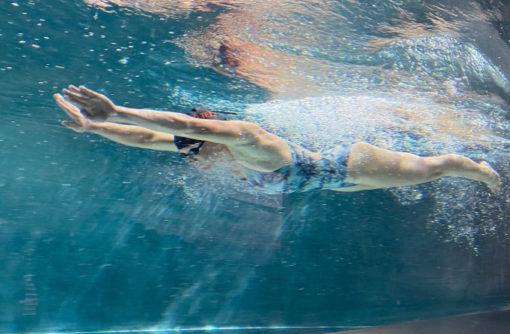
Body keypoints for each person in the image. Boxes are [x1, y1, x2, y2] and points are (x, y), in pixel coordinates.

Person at [54, 85, 500, 194]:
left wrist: (116, 110)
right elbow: (145, 139)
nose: (191, 161)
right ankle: (466, 168)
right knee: (421, 178)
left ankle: (476, 167)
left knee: (433, 170)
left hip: (349, 166)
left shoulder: (251, 141)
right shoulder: (203, 149)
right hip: (333, 185)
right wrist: (96, 128)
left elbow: (191, 128)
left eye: (194, 154)